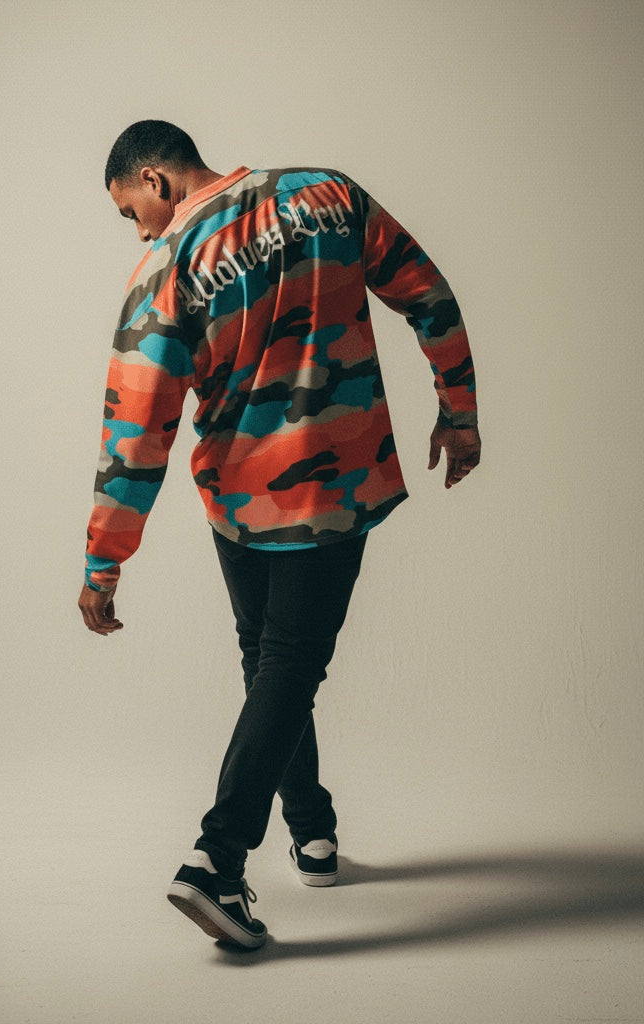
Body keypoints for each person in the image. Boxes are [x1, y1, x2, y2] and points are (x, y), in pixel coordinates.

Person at [78, 120, 480, 949]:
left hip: (240, 496)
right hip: (338, 479)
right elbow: (427, 292)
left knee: (274, 662)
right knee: (283, 665)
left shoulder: (164, 270)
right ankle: (260, 848)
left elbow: (135, 433)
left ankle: (254, 849)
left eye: (131, 212)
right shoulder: (327, 192)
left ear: (155, 178)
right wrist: (459, 412)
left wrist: (103, 561)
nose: (141, 229)